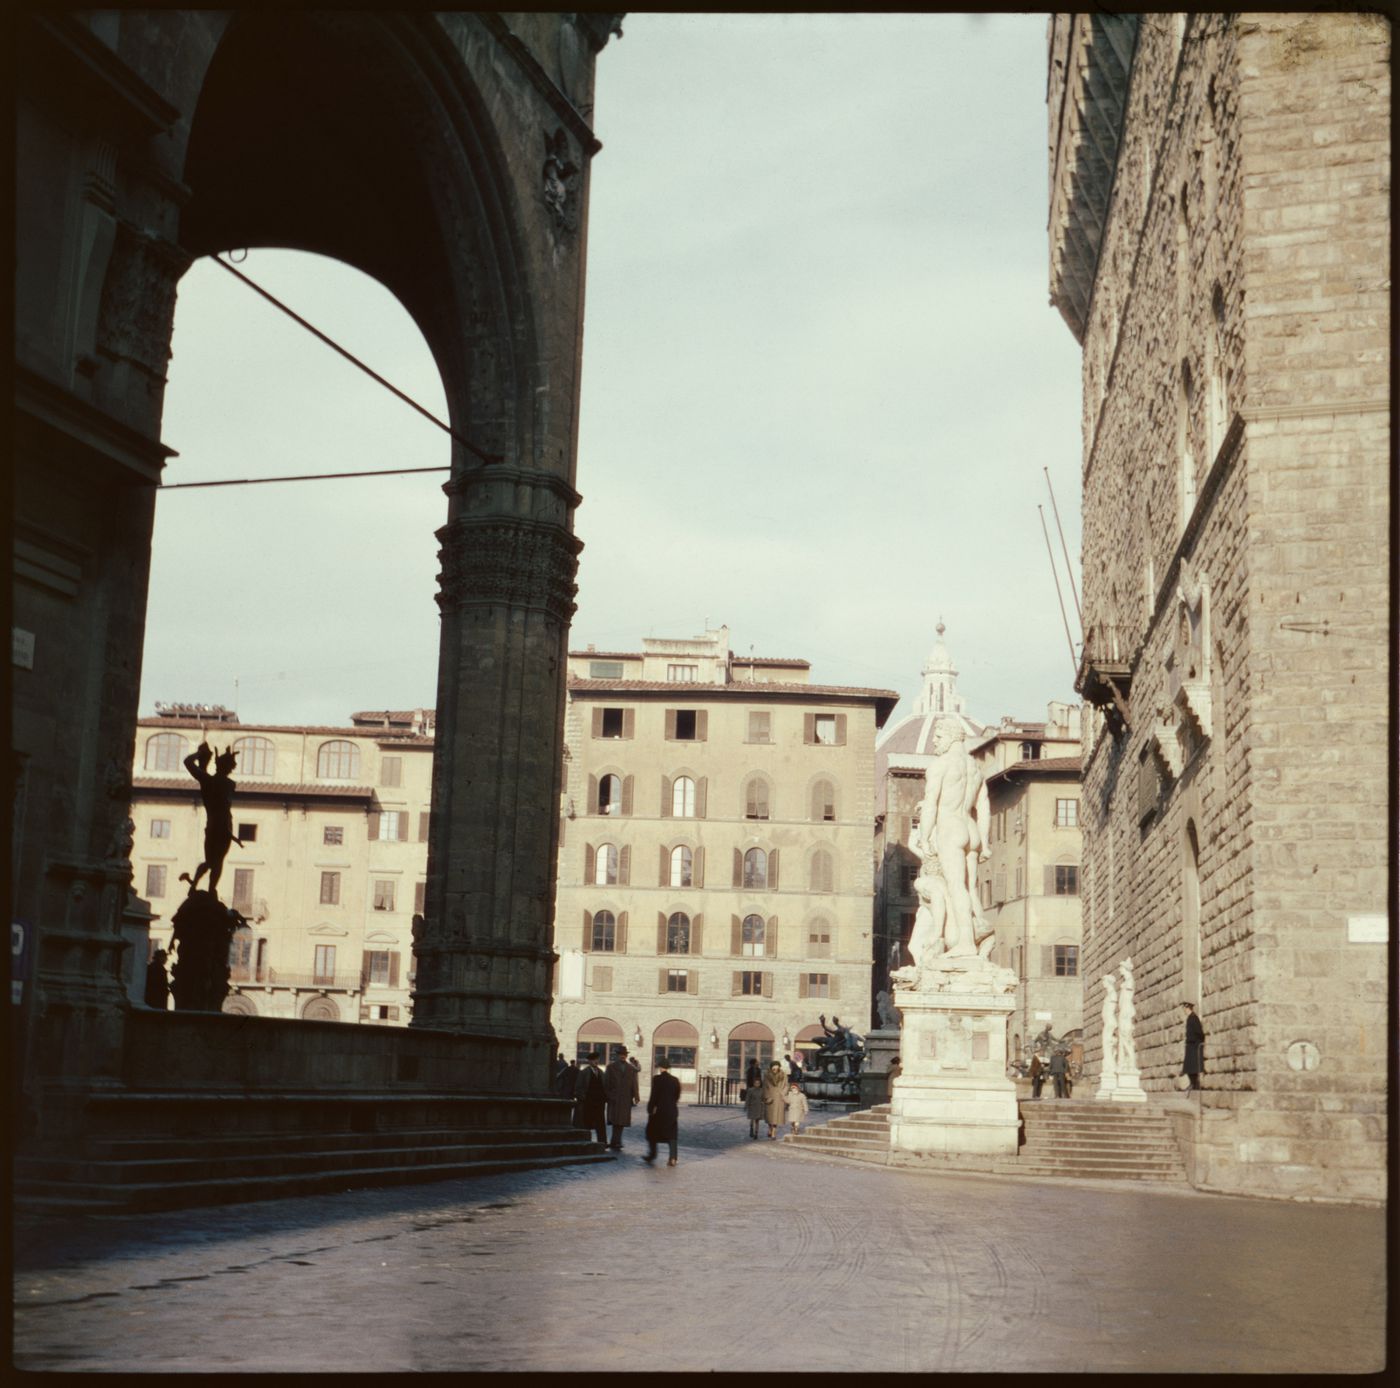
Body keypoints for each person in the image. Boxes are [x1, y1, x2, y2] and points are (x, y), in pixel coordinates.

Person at [182, 741, 242, 897]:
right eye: (230, 767)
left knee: (212, 862)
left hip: (218, 827)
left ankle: (198, 887)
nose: (231, 770)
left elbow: (188, 762)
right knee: (216, 863)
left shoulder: (209, 781)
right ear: (226, 767)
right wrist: (202, 759)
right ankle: (208, 889)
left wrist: (200, 757)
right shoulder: (227, 784)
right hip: (223, 828)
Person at [643, 1057, 682, 1166]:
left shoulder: (656, 1079)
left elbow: (654, 1096)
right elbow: (677, 1095)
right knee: (672, 1135)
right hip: (671, 1111)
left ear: (660, 1068)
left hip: (659, 1112)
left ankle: (652, 1154)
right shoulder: (675, 1080)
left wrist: (650, 1108)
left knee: (652, 1133)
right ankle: (673, 1158)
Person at [603, 1046, 640, 1150]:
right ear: (617, 1055)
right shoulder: (611, 1067)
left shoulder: (630, 1068)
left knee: (622, 1121)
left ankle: (616, 1141)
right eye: (621, 1054)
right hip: (614, 1098)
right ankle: (616, 1141)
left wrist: (636, 1096)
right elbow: (606, 1083)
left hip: (625, 1098)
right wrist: (609, 1096)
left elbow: (634, 1083)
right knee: (615, 1120)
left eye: (625, 1054)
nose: (623, 1056)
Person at [574, 1051, 607, 1143]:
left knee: (600, 1123)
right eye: (593, 1060)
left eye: (597, 1059)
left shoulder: (601, 1073)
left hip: (599, 1102)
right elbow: (577, 1087)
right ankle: (586, 1141)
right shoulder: (584, 1073)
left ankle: (602, 1142)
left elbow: (605, 1087)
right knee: (587, 1122)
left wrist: (605, 1098)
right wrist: (583, 1097)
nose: (596, 1061)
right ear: (589, 1061)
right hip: (588, 1102)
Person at [761, 1060, 789, 1140]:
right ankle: (770, 1128)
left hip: (779, 1098)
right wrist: (766, 1096)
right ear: (771, 1067)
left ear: (779, 1067)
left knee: (777, 1117)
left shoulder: (783, 1074)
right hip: (770, 1097)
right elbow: (764, 1086)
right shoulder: (767, 1074)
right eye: (774, 1066)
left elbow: (786, 1085)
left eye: (777, 1066)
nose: (775, 1068)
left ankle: (773, 1132)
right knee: (769, 1116)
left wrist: (783, 1093)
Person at [1182, 1001, 1206, 1090]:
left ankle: (1193, 1083)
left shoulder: (1194, 1018)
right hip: (1190, 1045)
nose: (1184, 1010)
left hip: (1194, 1046)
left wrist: (1198, 1043)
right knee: (1188, 1066)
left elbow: (1199, 1032)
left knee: (1193, 1066)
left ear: (1188, 1008)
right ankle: (1192, 1083)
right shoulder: (1190, 1018)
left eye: (1184, 1008)